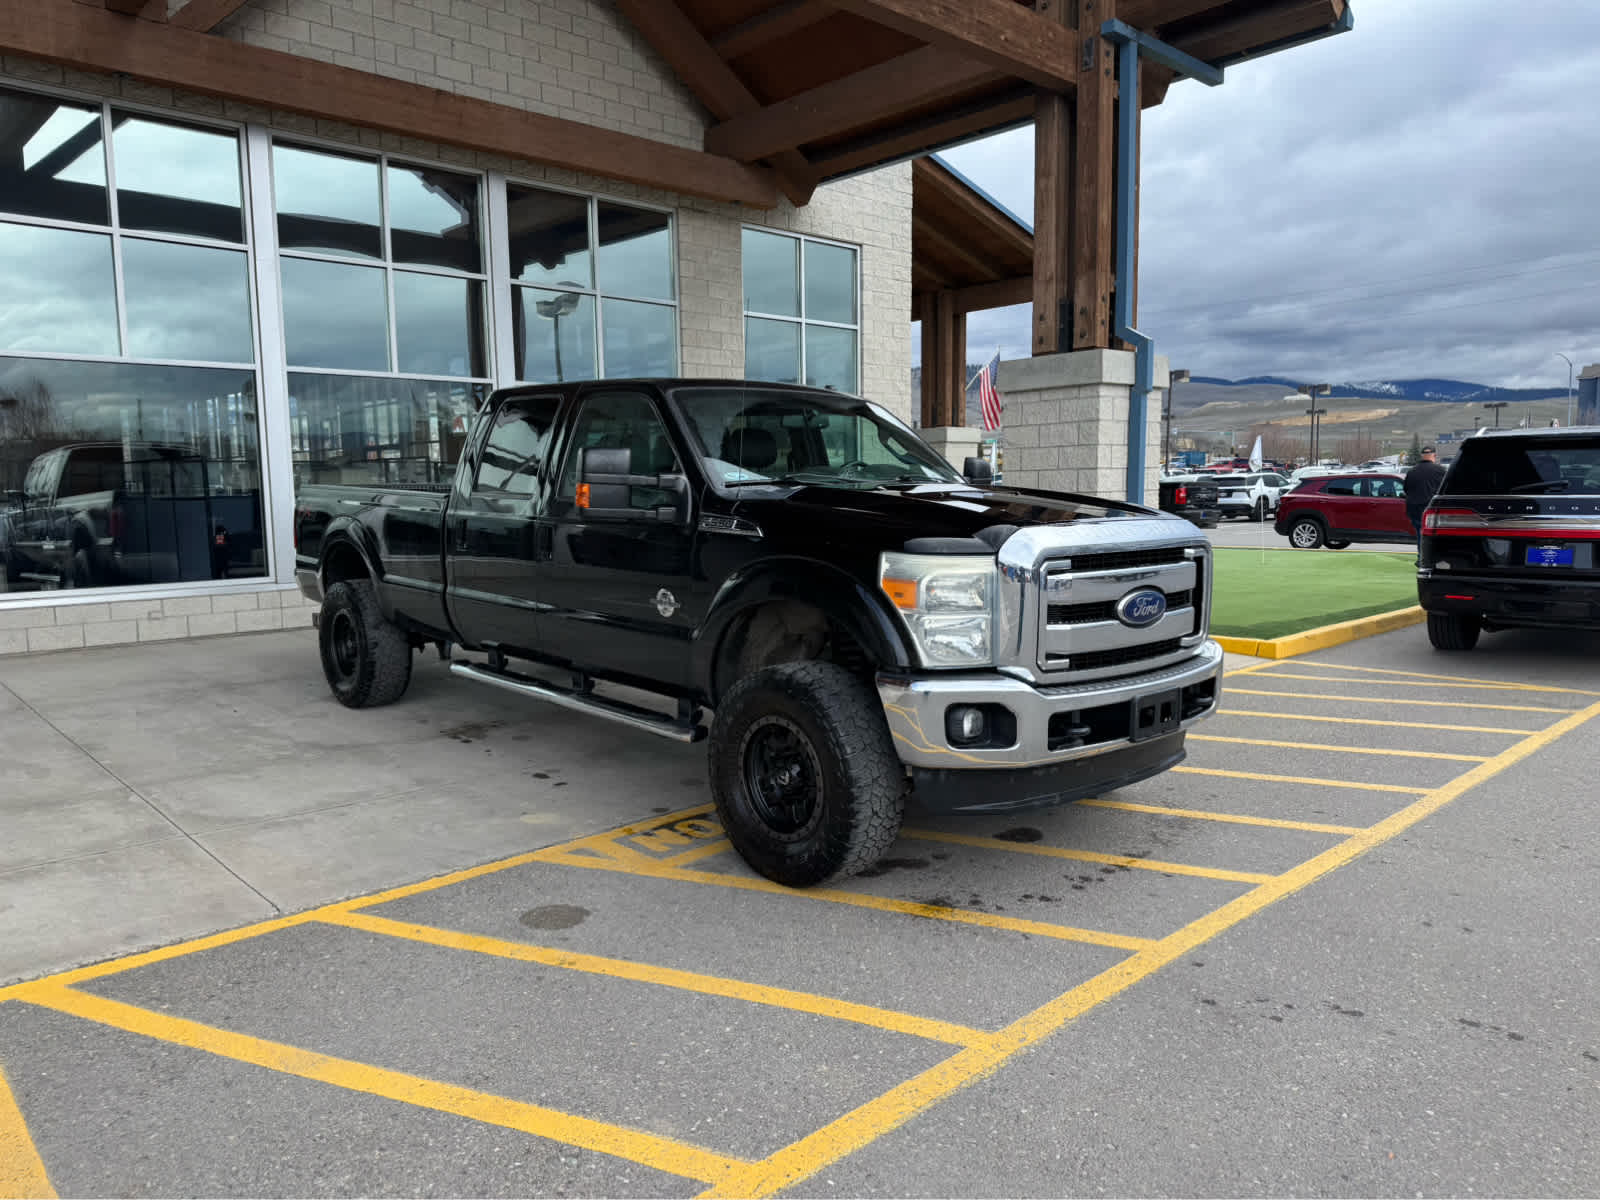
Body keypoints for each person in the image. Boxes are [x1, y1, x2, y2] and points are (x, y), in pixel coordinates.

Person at [1404, 445, 1447, 560]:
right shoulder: (1440, 471)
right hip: (1432, 508)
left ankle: (1421, 557)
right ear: (1434, 456)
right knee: (1435, 534)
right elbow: (1445, 490)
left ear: (1422, 456)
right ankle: (1433, 557)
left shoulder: (1412, 471)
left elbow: (1406, 489)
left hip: (1414, 508)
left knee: (1420, 532)